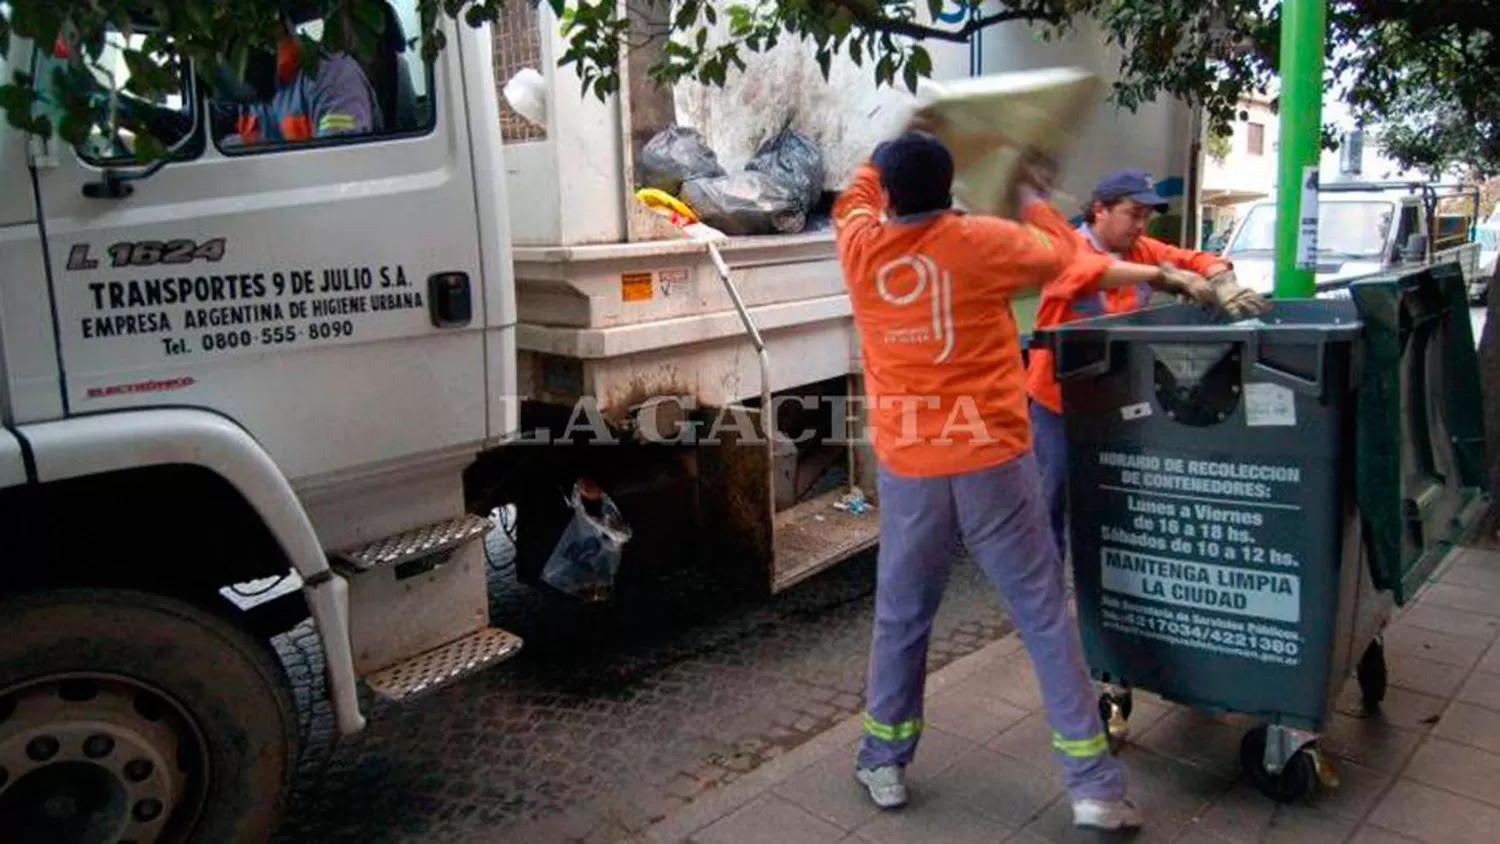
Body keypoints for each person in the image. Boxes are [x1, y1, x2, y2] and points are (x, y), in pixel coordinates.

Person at [835, 130, 1230, 831]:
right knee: (1045, 619)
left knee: (902, 615)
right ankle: (1096, 792)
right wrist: (1031, 196)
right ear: (950, 189)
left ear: (889, 194)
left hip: (912, 469)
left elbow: (855, 198)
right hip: (993, 460)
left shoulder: (860, 246)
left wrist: (891, 150)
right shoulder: (984, 242)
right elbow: (1070, 255)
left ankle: (884, 762)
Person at [1026, 170, 1268, 562]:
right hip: (1059, 403)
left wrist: (1221, 278)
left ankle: (1102, 587)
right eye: (1133, 214)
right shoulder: (1067, 247)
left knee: (1109, 497)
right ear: (1100, 210)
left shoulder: (1141, 249)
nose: (1141, 225)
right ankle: (1047, 599)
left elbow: (1191, 257)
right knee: (1049, 499)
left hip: (1114, 401)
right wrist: (1166, 278)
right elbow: (1085, 273)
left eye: (1146, 217)